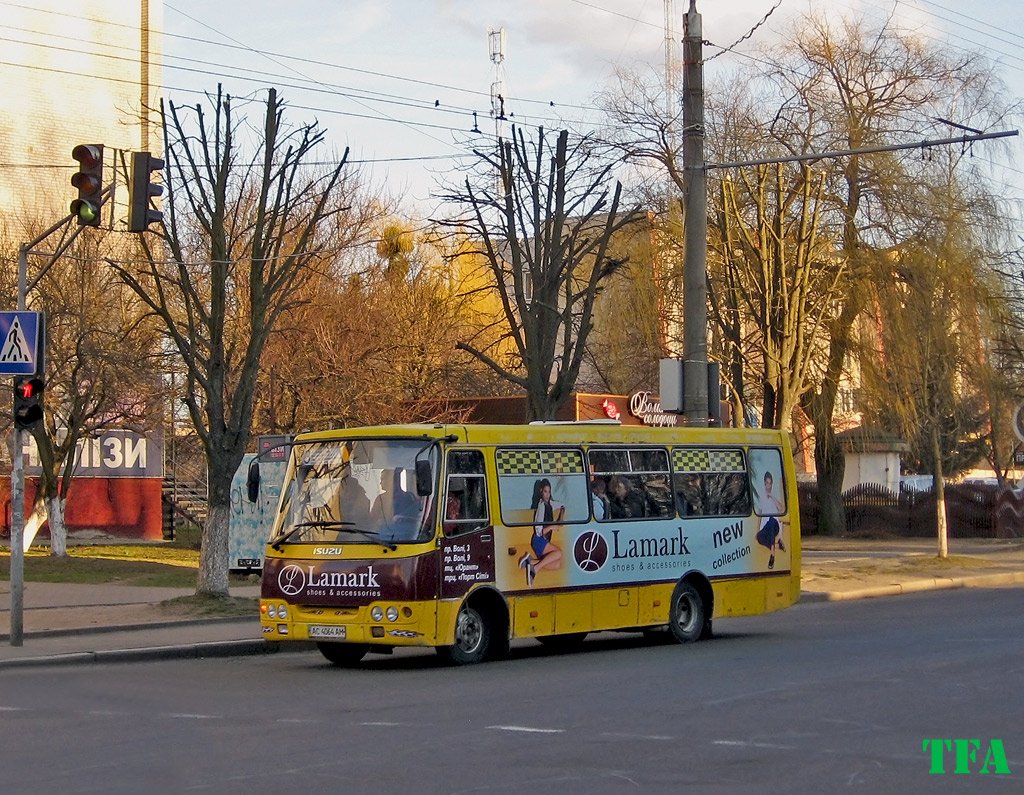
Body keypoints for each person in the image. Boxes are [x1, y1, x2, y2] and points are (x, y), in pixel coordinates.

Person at [518, 478, 563, 586]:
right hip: (538, 540)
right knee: (559, 553)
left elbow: (561, 505)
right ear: (541, 492)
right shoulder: (541, 506)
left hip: (543, 541)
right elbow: (539, 531)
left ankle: (530, 562)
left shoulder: (550, 504)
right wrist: (552, 527)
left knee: (557, 564)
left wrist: (562, 515)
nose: (547, 494)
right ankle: (535, 569)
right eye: (545, 492)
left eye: (549, 492)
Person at [755, 471, 786, 569]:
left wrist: (773, 497)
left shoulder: (774, 493)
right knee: (760, 537)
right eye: (767, 483)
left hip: (774, 524)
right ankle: (778, 546)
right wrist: (757, 530)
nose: (769, 485)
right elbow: (759, 513)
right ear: (765, 483)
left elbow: (781, 508)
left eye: (770, 483)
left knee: (771, 521)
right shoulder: (761, 495)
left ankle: (772, 556)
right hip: (766, 526)